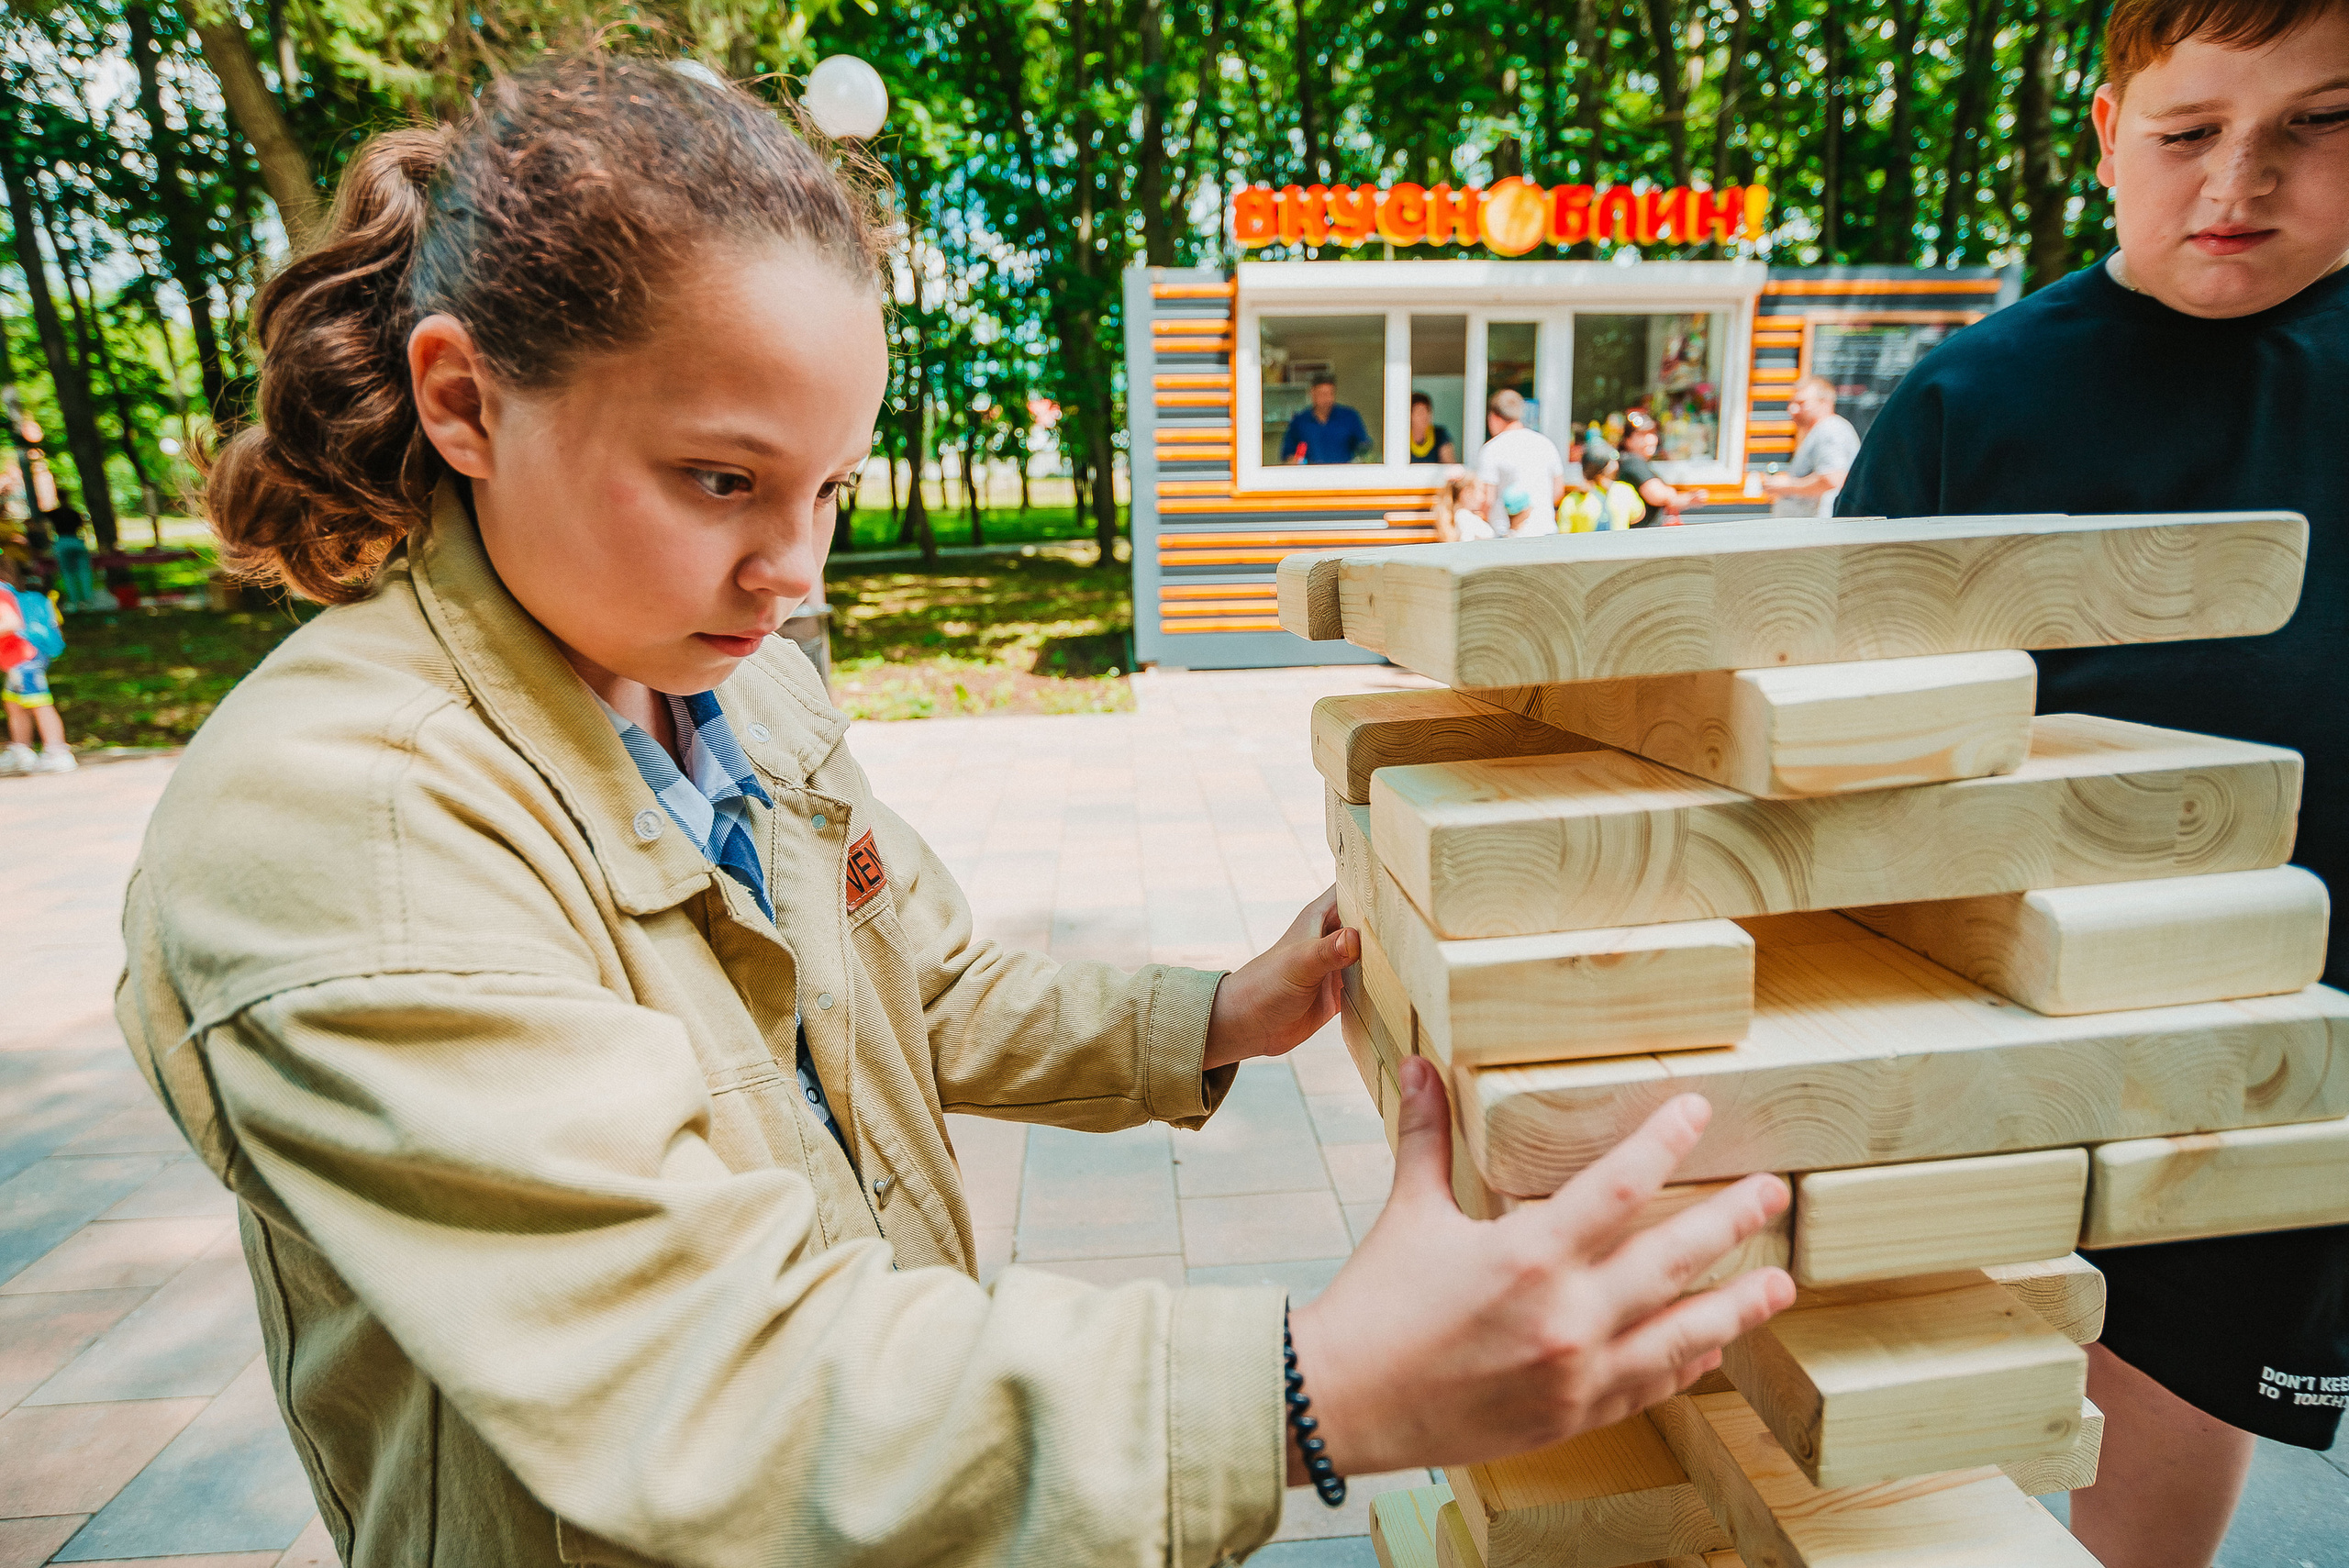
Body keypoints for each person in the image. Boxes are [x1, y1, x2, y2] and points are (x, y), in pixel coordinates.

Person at [114, 56, 1792, 1567]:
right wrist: (1318, 1382)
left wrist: (1217, 1011)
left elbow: (906, 981)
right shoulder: (348, 827)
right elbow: (709, 1382)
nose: (792, 571)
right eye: (721, 479)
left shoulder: (726, 677)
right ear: (465, 400)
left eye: (830, 488)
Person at [1836, 2, 2349, 1563]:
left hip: (2289, 1052)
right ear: (2111, 134)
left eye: (2318, 121)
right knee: (1958, 1436)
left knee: (2180, 1420)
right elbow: (1842, 748)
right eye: (2191, 132)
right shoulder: (1969, 405)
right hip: (2020, 1033)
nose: (2240, 181)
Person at [0, 555, 73, 773]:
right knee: (13, 704)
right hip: (15, 661)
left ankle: (58, 752)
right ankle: (21, 750)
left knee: (39, 703)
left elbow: (12, 622)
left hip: (24, 659)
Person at [1763, 378, 1862, 517]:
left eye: (1801, 403)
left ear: (1825, 403)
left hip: (1822, 526)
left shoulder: (1830, 429)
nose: (1792, 409)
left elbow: (1832, 479)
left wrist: (1786, 486)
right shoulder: (1820, 430)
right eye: (1791, 403)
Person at [1475, 389, 1568, 535]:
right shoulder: (1545, 444)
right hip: (1545, 530)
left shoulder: (1491, 450)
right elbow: (1558, 491)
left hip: (1507, 534)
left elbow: (1488, 499)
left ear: (1493, 417)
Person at [1617, 410, 1709, 524]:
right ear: (1628, 440)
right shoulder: (1632, 462)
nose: (1650, 439)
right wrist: (1681, 496)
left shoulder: (1635, 461)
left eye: (1652, 433)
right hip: (1641, 533)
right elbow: (1657, 495)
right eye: (1642, 435)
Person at [1282, 373, 1374, 464]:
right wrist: (1296, 461)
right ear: (1312, 393)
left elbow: (1363, 447)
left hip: (1343, 472)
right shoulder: (1299, 422)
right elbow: (1288, 455)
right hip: (1311, 472)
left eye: (1331, 394)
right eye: (1323, 394)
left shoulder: (1349, 417)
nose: (1328, 399)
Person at [1563, 440, 1645, 532]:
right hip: (1619, 541)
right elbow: (1638, 515)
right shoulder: (1624, 491)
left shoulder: (1572, 500)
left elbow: (1564, 532)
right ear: (1609, 467)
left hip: (1585, 542)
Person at [48, 501, 95, 609]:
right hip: (76, 541)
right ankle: (88, 600)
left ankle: (74, 601)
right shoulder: (74, 513)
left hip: (62, 543)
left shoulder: (54, 513)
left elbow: (47, 526)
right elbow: (83, 526)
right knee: (84, 572)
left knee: (68, 574)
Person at [1431, 473, 1496, 541]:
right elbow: (1465, 540)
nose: (1483, 497)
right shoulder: (1464, 516)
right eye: (1481, 491)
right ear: (1468, 493)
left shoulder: (1464, 515)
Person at [1407, 390, 1456, 464]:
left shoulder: (1440, 435)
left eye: (1428, 411)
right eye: (1420, 412)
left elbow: (1450, 465)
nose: (1425, 416)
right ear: (1410, 416)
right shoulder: (1403, 438)